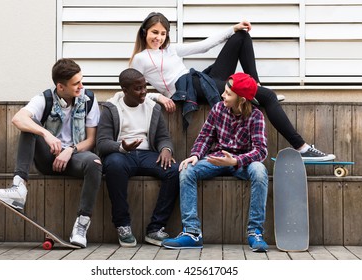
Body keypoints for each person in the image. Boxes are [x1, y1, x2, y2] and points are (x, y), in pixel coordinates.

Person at [129, 12, 335, 161]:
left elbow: (204, 46)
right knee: (269, 98)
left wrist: (233, 28)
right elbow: (128, 90)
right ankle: (302, 147)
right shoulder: (139, 59)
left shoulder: (170, 50)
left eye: (163, 34)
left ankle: (256, 87)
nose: (158, 38)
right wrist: (159, 97)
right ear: (145, 32)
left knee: (241, 36)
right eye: (155, 32)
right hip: (191, 88)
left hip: (202, 80)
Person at [0, 58, 102, 248]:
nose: (81, 86)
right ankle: (18, 189)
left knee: (95, 162)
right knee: (29, 126)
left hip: (75, 159)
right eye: (76, 83)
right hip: (47, 159)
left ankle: (81, 225)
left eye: (81, 80)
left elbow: (91, 140)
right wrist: (46, 134)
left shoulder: (88, 99)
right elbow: (18, 118)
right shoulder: (44, 99)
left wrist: (70, 150)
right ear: (60, 86)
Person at [162, 73, 269, 252]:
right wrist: (196, 155)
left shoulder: (256, 116)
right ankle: (192, 233)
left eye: (228, 94)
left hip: (242, 163)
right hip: (216, 160)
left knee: (260, 170)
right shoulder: (219, 109)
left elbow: (260, 150)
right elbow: (205, 136)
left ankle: (255, 232)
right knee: (187, 169)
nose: (222, 96)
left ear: (241, 100)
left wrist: (235, 160)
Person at [96, 68, 179, 247]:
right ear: (125, 90)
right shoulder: (111, 108)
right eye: (138, 88)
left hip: (148, 154)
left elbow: (163, 137)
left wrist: (166, 149)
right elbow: (102, 143)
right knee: (114, 166)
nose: (144, 92)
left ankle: (155, 229)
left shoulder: (152, 107)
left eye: (144, 87)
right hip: (121, 155)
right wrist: (121, 147)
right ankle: (123, 225)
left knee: (173, 170)